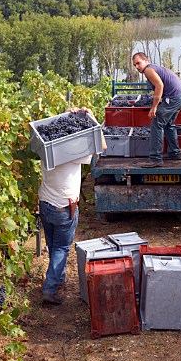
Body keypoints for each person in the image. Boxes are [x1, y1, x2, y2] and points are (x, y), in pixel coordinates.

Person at [39, 107, 107, 305]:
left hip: (45, 204)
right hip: (63, 209)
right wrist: (92, 118)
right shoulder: (72, 153)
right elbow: (101, 146)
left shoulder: (45, 147)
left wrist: (67, 115)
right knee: (61, 248)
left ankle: (58, 278)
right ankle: (50, 290)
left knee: (54, 246)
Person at [132, 52, 181, 168]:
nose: (137, 67)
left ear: (145, 60)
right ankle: (174, 153)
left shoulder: (148, 70)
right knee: (168, 124)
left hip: (174, 97)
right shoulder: (153, 68)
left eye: (138, 63)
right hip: (180, 95)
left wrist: (154, 107)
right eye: (134, 65)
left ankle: (155, 158)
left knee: (156, 122)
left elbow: (159, 86)